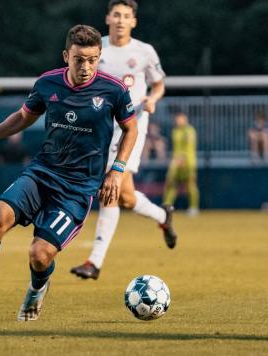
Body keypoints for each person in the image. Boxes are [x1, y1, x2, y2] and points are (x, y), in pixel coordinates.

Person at [0, 24, 138, 321]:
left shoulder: (114, 90)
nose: (86, 66)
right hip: (42, 174)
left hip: (77, 190)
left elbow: (132, 128)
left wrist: (116, 170)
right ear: (67, 56)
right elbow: (24, 117)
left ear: (99, 56)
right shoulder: (47, 84)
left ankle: (38, 288)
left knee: (39, 256)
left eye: (92, 59)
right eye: (79, 59)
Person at [70, 0, 177, 281]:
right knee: (125, 196)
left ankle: (94, 262)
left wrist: (152, 99)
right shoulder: (97, 49)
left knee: (111, 189)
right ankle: (162, 216)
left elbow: (159, 83)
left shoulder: (144, 52)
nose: (120, 20)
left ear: (134, 22)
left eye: (126, 16)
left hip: (132, 127)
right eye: (116, 14)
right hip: (100, 127)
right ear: (107, 18)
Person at [163, 112, 199, 216]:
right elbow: (176, 148)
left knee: (190, 185)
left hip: (188, 162)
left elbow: (188, 146)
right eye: (176, 119)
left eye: (180, 119)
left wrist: (182, 158)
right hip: (176, 161)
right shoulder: (175, 131)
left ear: (185, 119)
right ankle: (166, 208)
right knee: (170, 184)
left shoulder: (189, 131)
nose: (177, 121)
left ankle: (193, 208)